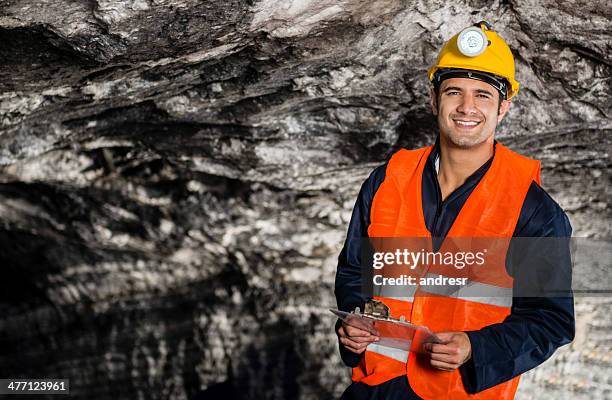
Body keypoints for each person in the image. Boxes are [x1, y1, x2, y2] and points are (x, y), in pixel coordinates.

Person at [334, 21, 574, 399]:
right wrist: (353, 319)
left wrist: (475, 348)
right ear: (434, 100)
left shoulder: (535, 211)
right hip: (375, 389)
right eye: (453, 92)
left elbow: (550, 320)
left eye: (482, 95)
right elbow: (354, 272)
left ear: (504, 107)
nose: (466, 107)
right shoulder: (386, 182)